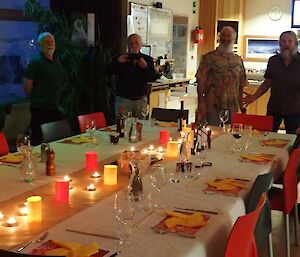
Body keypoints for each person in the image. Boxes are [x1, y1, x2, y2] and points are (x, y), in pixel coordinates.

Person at [243, 31, 300, 134]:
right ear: (280, 44)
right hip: (274, 107)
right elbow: (268, 82)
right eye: (283, 41)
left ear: (295, 43)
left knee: (294, 142)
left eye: (289, 41)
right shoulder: (273, 61)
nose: (286, 44)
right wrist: (254, 97)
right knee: (267, 138)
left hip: (295, 109)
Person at [196, 26, 247, 125]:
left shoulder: (238, 60)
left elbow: (241, 84)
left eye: (229, 36)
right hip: (213, 105)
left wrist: (241, 106)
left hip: (233, 106)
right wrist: (201, 102)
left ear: (233, 38)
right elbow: (201, 81)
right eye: (223, 36)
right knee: (214, 135)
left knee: (231, 136)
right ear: (219, 38)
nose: (226, 38)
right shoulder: (209, 58)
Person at [23, 32, 64, 145]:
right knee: (38, 139)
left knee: (56, 139)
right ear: (40, 45)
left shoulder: (57, 61)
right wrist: (37, 99)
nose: (50, 44)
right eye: (47, 42)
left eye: (52, 42)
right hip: (39, 109)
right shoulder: (36, 62)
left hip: (54, 107)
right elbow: (27, 86)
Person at [108, 33, 157, 119]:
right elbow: (107, 72)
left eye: (136, 43)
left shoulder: (147, 59)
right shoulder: (121, 58)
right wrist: (117, 62)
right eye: (131, 43)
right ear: (128, 45)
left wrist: (144, 67)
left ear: (140, 45)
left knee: (141, 126)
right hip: (123, 99)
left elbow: (152, 78)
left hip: (140, 100)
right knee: (123, 127)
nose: (133, 46)